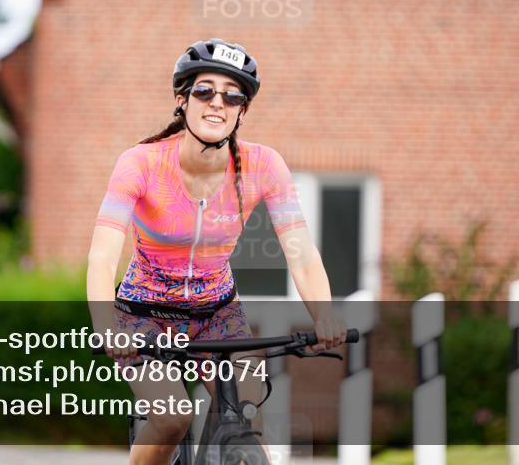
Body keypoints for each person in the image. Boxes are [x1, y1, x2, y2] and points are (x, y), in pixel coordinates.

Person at [87, 38, 349, 465]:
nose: (217, 104)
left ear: (242, 110)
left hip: (218, 314)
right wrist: (105, 325)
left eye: (232, 96)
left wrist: (324, 313)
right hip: (144, 312)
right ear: (182, 99)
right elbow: (102, 256)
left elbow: (300, 253)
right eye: (204, 91)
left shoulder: (265, 166)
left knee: (244, 413)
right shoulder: (141, 164)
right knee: (172, 417)